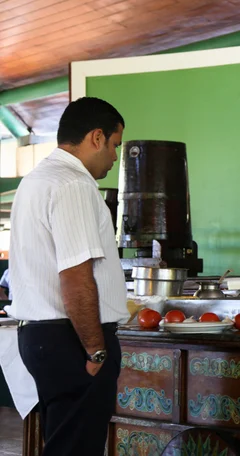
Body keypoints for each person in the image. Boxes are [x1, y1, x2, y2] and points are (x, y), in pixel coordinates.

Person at [5, 97, 130, 456]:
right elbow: (76, 275)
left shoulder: (35, 180)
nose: (114, 157)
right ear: (96, 137)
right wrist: (96, 351)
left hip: (42, 336)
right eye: (115, 145)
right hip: (71, 339)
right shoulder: (72, 184)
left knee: (63, 444)